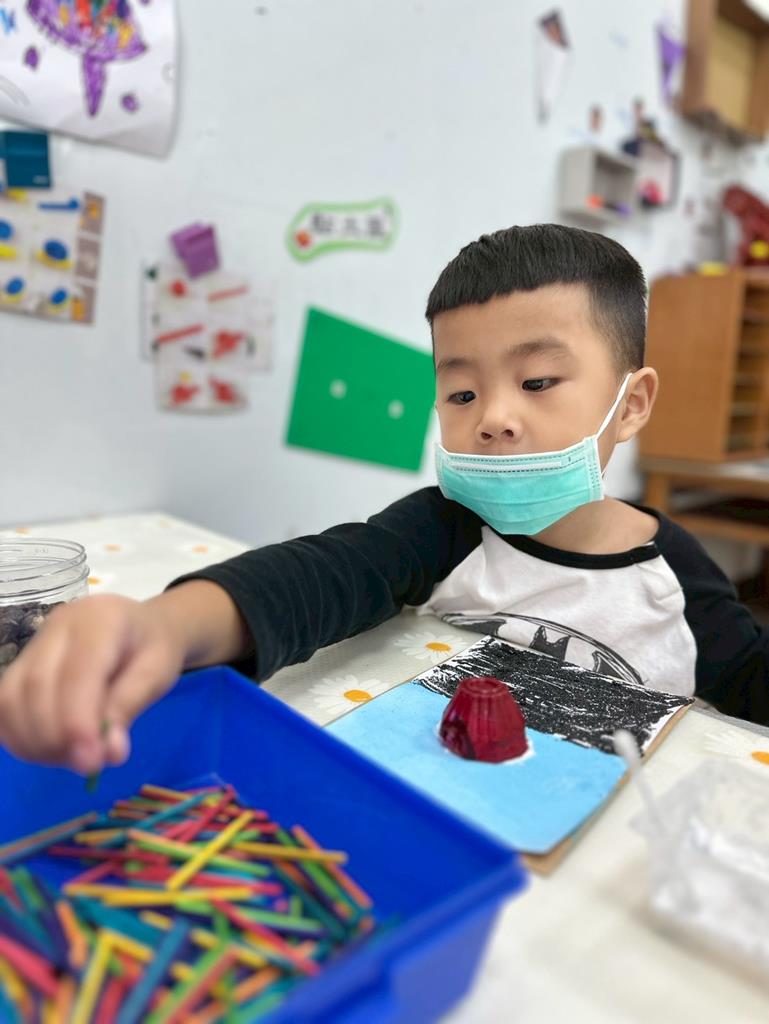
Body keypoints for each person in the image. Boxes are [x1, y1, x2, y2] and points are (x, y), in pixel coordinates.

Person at [2, 224, 767, 775]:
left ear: (630, 405)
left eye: (536, 382)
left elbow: (749, 689)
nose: (493, 417)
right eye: (460, 392)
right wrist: (161, 627)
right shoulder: (444, 528)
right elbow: (318, 576)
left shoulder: (675, 578)